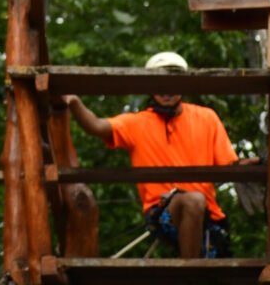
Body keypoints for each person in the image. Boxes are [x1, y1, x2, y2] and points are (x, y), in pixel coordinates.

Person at [63, 50, 253, 258]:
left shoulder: (206, 118)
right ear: (150, 88)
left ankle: (194, 270)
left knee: (200, 209)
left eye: (172, 84)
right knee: (193, 201)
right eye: (159, 84)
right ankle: (191, 273)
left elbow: (229, 164)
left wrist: (255, 165)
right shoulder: (137, 123)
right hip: (164, 213)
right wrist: (74, 101)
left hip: (208, 218)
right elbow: (97, 126)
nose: (166, 91)